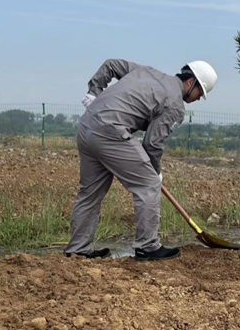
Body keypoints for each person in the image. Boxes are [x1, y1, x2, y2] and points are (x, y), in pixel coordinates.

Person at [65, 59, 217, 261]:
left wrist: (94, 92)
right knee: (149, 184)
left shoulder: (147, 72)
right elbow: (152, 144)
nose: (198, 99)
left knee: (90, 192)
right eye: (200, 93)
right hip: (110, 132)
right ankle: (148, 246)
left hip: (86, 127)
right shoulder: (175, 105)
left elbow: (111, 65)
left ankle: (78, 249)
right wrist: (155, 173)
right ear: (191, 83)